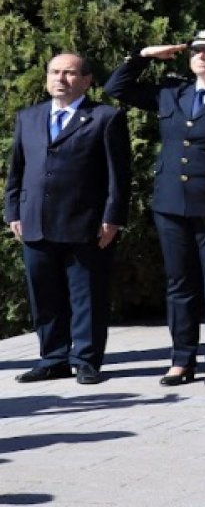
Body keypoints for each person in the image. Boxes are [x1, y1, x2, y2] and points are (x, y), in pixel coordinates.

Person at [105, 29, 205, 387]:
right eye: (196, 51)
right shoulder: (172, 93)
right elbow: (116, 88)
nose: (202, 56)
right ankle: (181, 358)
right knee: (179, 284)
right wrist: (143, 54)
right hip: (171, 203)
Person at [6, 53, 131, 385]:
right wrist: (13, 211)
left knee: (86, 295)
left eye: (69, 73)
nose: (60, 79)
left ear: (87, 81)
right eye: (54, 72)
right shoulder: (28, 117)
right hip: (35, 221)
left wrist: (112, 218)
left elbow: (119, 176)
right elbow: (16, 170)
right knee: (44, 296)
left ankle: (86, 359)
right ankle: (53, 358)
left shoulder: (105, 118)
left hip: (86, 224)